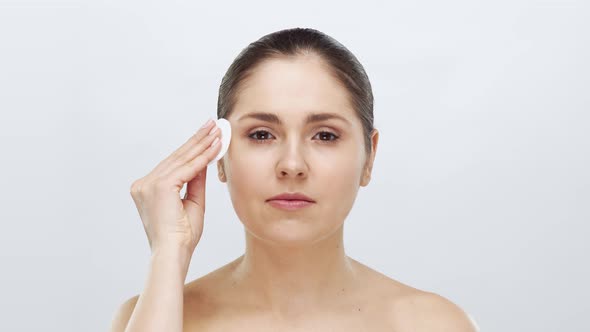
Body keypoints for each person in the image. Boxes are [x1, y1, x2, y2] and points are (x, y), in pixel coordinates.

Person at [110, 27, 478, 331]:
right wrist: (169, 253)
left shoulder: (433, 324)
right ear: (219, 157)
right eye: (261, 135)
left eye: (325, 135)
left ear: (369, 157)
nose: (291, 164)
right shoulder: (152, 315)